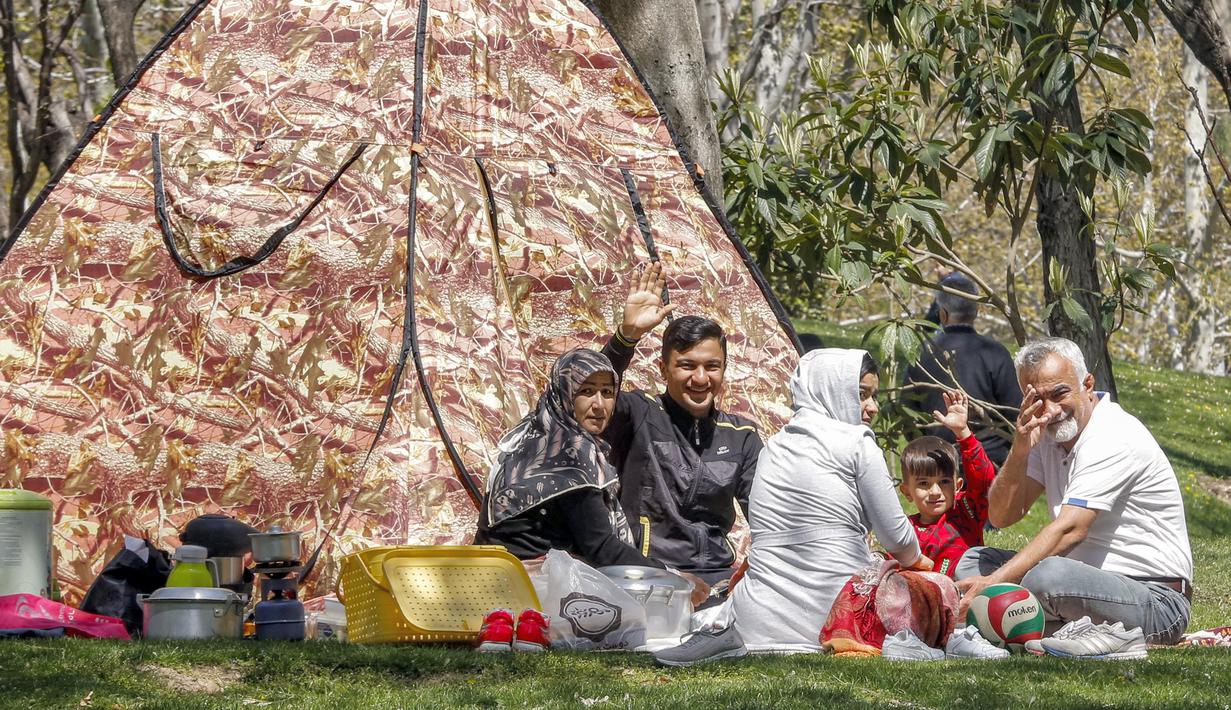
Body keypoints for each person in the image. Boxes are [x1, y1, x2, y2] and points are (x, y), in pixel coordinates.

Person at [654, 349, 931, 664]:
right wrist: (918, 560)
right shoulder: (857, 442)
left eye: (873, 396)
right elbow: (897, 538)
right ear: (834, 391)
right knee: (932, 588)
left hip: (754, 619)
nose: (872, 407)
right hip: (837, 617)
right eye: (862, 395)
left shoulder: (774, 447)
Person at [955, 337, 1194, 653]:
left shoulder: (1112, 435)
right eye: (1037, 399)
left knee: (1047, 575)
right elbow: (1001, 516)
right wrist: (1021, 446)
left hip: (1156, 602)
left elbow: (1070, 529)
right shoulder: (1046, 434)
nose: (1051, 410)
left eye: (1059, 394)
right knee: (975, 560)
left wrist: (995, 582)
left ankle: (1010, 622)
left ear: (1087, 383)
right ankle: (1043, 626)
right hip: (1080, 584)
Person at [599, 263, 763, 586]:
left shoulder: (743, 436)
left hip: (719, 578)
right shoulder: (637, 414)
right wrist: (626, 337)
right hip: (646, 576)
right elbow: (580, 394)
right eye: (687, 366)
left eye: (711, 366)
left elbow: (768, 519)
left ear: (724, 369)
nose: (700, 379)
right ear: (663, 369)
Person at [473, 348, 661, 569]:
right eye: (587, 391)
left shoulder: (535, 432)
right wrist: (670, 575)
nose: (599, 405)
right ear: (565, 393)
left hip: (499, 573)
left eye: (607, 393)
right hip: (530, 584)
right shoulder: (570, 450)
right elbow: (601, 549)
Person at [904, 272, 1022, 467]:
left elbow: (908, 412)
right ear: (976, 311)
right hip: (989, 462)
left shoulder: (923, 353)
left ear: (942, 313)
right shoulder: (995, 352)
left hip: (939, 462)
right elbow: (1015, 413)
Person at [899, 390, 997, 578]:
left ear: (958, 485)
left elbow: (984, 481)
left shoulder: (966, 511)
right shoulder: (907, 530)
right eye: (924, 483)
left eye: (944, 482)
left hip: (973, 593)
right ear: (907, 492)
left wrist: (963, 434)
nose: (935, 491)